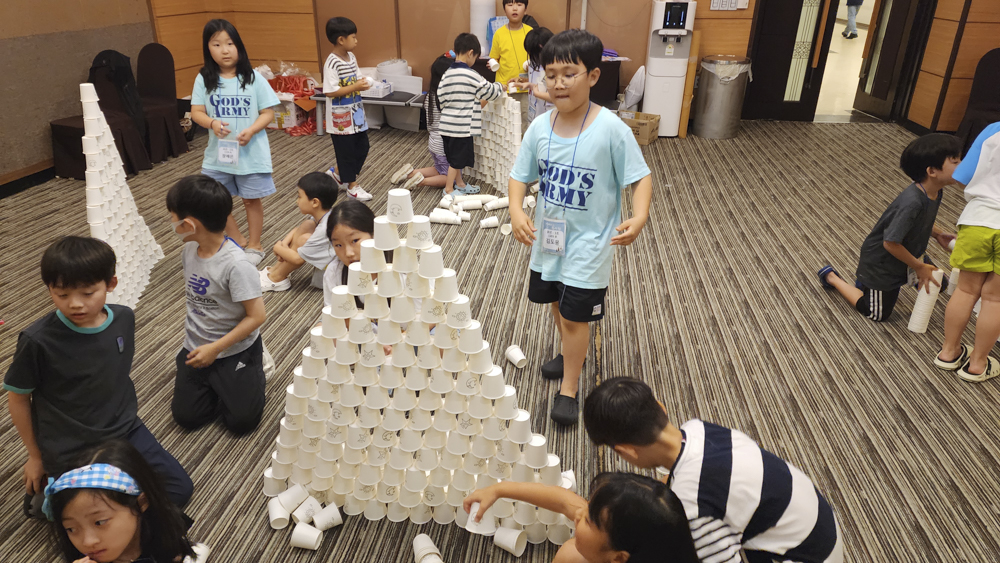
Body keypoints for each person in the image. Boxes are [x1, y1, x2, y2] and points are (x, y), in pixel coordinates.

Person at [508, 29, 653, 426]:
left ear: (592, 76)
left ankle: (569, 387)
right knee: (558, 304)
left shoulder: (611, 129)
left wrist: (639, 216)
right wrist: (516, 210)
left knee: (575, 317)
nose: (558, 84)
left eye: (569, 74)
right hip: (549, 240)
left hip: (591, 244)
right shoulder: (540, 128)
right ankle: (570, 352)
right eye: (551, 75)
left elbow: (640, 177)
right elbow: (519, 176)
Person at [4, 237, 193, 518]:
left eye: (87, 293)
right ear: (49, 289)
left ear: (111, 284)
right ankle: (53, 492)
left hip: (124, 428)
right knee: (81, 516)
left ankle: (115, 512)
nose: (75, 304)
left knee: (178, 489)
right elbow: (18, 398)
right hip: (69, 444)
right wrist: (35, 456)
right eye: (61, 295)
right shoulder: (37, 340)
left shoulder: (124, 318)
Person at [583, 378, 844, 563]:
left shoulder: (693, 506)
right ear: (661, 407)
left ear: (627, 452)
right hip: (817, 531)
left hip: (801, 555)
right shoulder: (698, 430)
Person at [818, 133, 961, 323]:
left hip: (908, 253)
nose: (962, 165)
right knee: (876, 313)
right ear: (932, 171)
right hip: (882, 264)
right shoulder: (912, 202)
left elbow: (919, 220)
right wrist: (918, 267)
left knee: (939, 284)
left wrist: (937, 234)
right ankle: (832, 278)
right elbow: (890, 243)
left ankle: (872, 282)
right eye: (955, 162)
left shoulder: (935, 191)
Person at [167, 175, 266, 435]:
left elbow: (257, 316)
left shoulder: (237, 265)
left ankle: (257, 364)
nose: (171, 223)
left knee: (241, 423)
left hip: (234, 349)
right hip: (196, 344)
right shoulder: (189, 250)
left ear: (189, 224)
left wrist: (216, 348)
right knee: (187, 417)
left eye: (172, 218)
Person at [190, 19, 280, 267]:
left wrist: (251, 130)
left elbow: (268, 113)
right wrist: (212, 123)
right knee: (215, 200)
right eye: (217, 44)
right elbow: (196, 112)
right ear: (208, 48)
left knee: (251, 200)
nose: (225, 50)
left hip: (250, 153)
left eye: (230, 43)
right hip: (218, 155)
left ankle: (255, 244)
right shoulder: (204, 78)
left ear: (239, 45)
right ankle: (236, 238)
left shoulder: (253, 78)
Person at [463, 472, 700, 563]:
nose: (578, 513)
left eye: (588, 520)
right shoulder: (649, 539)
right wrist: (499, 489)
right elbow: (563, 501)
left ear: (619, 558)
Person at [45, 440, 208, 563]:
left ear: (142, 502)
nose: (87, 542)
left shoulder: (161, 530)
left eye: (99, 522)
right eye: (71, 529)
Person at [935, 121, 1000, 381]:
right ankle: (978, 364)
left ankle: (949, 352)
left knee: (965, 290)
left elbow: (961, 177)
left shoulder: (994, 129)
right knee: (995, 299)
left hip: (977, 220)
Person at [438, 33, 505, 204]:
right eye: (475, 57)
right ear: (470, 53)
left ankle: (460, 184)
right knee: (457, 160)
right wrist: (501, 86)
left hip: (446, 125)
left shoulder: (447, 74)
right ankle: (448, 189)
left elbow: (441, 97)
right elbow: (489, 92)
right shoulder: (471, 74)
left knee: (453, 158)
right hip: (461, 127)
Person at [258, 172, 339, 292]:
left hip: (336, 275)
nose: (297, 201)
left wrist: (277, 247)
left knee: (304, 239)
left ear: (315, 202)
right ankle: (275, 271)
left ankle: (277, 278)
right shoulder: (327, 215)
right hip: (329, 259)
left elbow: (297, 259)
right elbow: (297, 230)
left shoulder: (325, 228)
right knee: (308, 225)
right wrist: (284, 244)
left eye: (299, 197)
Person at [323, 17, 374, 202]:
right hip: (340, 120)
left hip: (356, 114)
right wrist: (355, 87)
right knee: (346, 152)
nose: (356, 41)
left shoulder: (351, 57)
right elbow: (330, 91)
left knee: (362, 146)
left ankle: (338, 174)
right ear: (341, 40)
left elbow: (357, 78)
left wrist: (364, 83)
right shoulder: (332, 63)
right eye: (353, 37)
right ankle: (352, 186)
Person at [389, 56, 455, 190]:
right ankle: (421, 181)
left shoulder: (430, 95)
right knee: (451, 177)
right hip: (444, 145)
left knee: (439, 168)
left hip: (433, 142)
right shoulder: (447, 98)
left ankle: (411, 173)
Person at [491, 0, 533, 132]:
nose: (514, 8)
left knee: (525, 126)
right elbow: (494, 58)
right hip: (505, 88)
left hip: (525, 89)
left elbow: (537, 59)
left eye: (519, 5)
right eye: (510, 5)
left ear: (525, 10)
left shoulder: (530, 32)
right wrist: (492, 63)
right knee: (504, 126)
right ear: (504, 10)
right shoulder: (499, 34)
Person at [510, 26, 555, 125]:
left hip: (549, 118)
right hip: (534, 114)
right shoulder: (534, 64)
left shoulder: (556, 68)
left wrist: (537, 93)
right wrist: (524, 82)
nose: (532, 57)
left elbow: (557, 97)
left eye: (533, 54)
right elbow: (539, 83)